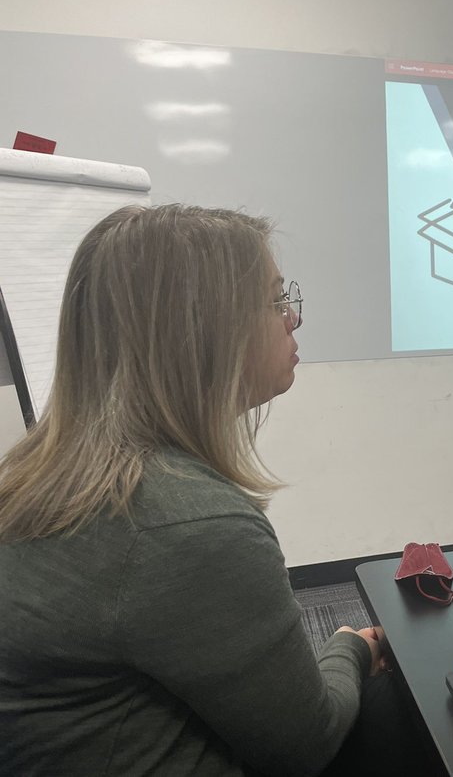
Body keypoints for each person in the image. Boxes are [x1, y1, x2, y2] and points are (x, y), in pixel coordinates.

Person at [0, 205, 403, 775]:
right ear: (201, 331)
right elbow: (306, 745)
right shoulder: (182, 524)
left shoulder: (40, 472)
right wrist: (351, 646)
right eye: (273, 299)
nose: (293, 318)